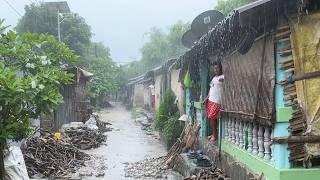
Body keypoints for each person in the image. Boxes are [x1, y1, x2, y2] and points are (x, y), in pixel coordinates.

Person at [202, 62, 224, 142]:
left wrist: (225, 79)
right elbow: (210, 90)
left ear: (220, 68)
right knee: (211, 118)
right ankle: (213, 134)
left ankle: (215, 136)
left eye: (217, 68)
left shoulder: (223, 77)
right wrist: (205, 99)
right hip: (211, 100)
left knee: (212, 117)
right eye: (214, 68)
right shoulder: (214, 78)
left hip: (217, 101)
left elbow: (228, 81)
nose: (216, 70)